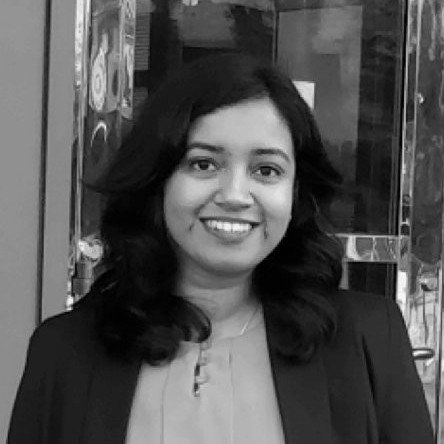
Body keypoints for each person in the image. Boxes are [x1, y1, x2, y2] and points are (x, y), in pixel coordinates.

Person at [8, 53, 433, 444]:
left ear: (296, 193)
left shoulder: (369, 341)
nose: (234, 195)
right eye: (204, 164)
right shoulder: (64, 353)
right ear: (157, 180)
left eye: (266, 170)